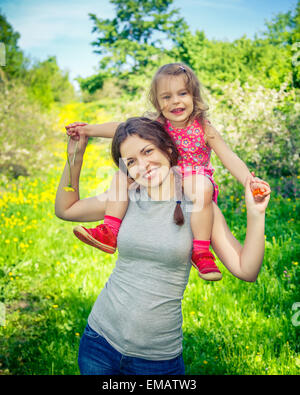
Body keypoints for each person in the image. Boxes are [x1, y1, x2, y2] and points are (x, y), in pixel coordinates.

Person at [55, 117, 270, 375]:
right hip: (99, 343)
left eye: (148, 152)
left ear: (168, 149)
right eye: (131, 161)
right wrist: (74, 156)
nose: (142, 166)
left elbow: (247, 270)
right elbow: (66, 209)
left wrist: (256, 214)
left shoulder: (200, 206)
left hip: (156, 361)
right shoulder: (124, 197)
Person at [66, 63, 270, 282]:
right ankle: (110, 230)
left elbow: (228, 156)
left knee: (199, 186)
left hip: (194, 179)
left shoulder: (204, 128)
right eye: (166, 97)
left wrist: (249, 181)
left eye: (182, 93)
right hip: (166, 177)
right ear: (157, 102)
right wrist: (88, 130)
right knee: (121, 174)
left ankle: (200, 250)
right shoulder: (158, 124)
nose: (175, 101)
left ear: (194, 96)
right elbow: (120, 128)